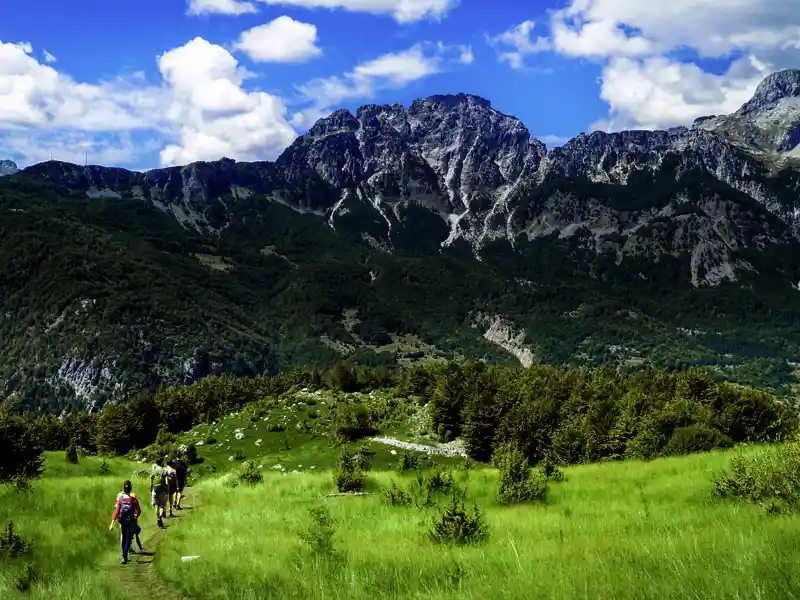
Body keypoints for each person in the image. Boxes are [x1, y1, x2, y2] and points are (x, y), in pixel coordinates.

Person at [109, 480, 141, 565]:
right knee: (128, 539)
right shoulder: (133, 498)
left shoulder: (121, 497)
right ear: (130, 487)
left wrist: (112, 523)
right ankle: (124, 555)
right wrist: (135, 517)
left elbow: (116, 510)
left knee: (123, 537)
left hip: (122, 520)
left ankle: (124, 555)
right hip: (130, 520)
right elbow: (139, 510)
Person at [149, 459, 169, 528]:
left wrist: (151, 490)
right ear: (161, 463)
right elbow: (166, 483)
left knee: (156, 505)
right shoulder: (163, 471)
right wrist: (167, 490)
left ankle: (157, 518)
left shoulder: (153, 470)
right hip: (162, 490)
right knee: (162, 505)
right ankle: (160, 517)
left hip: (155, 489)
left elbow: (151, 481)